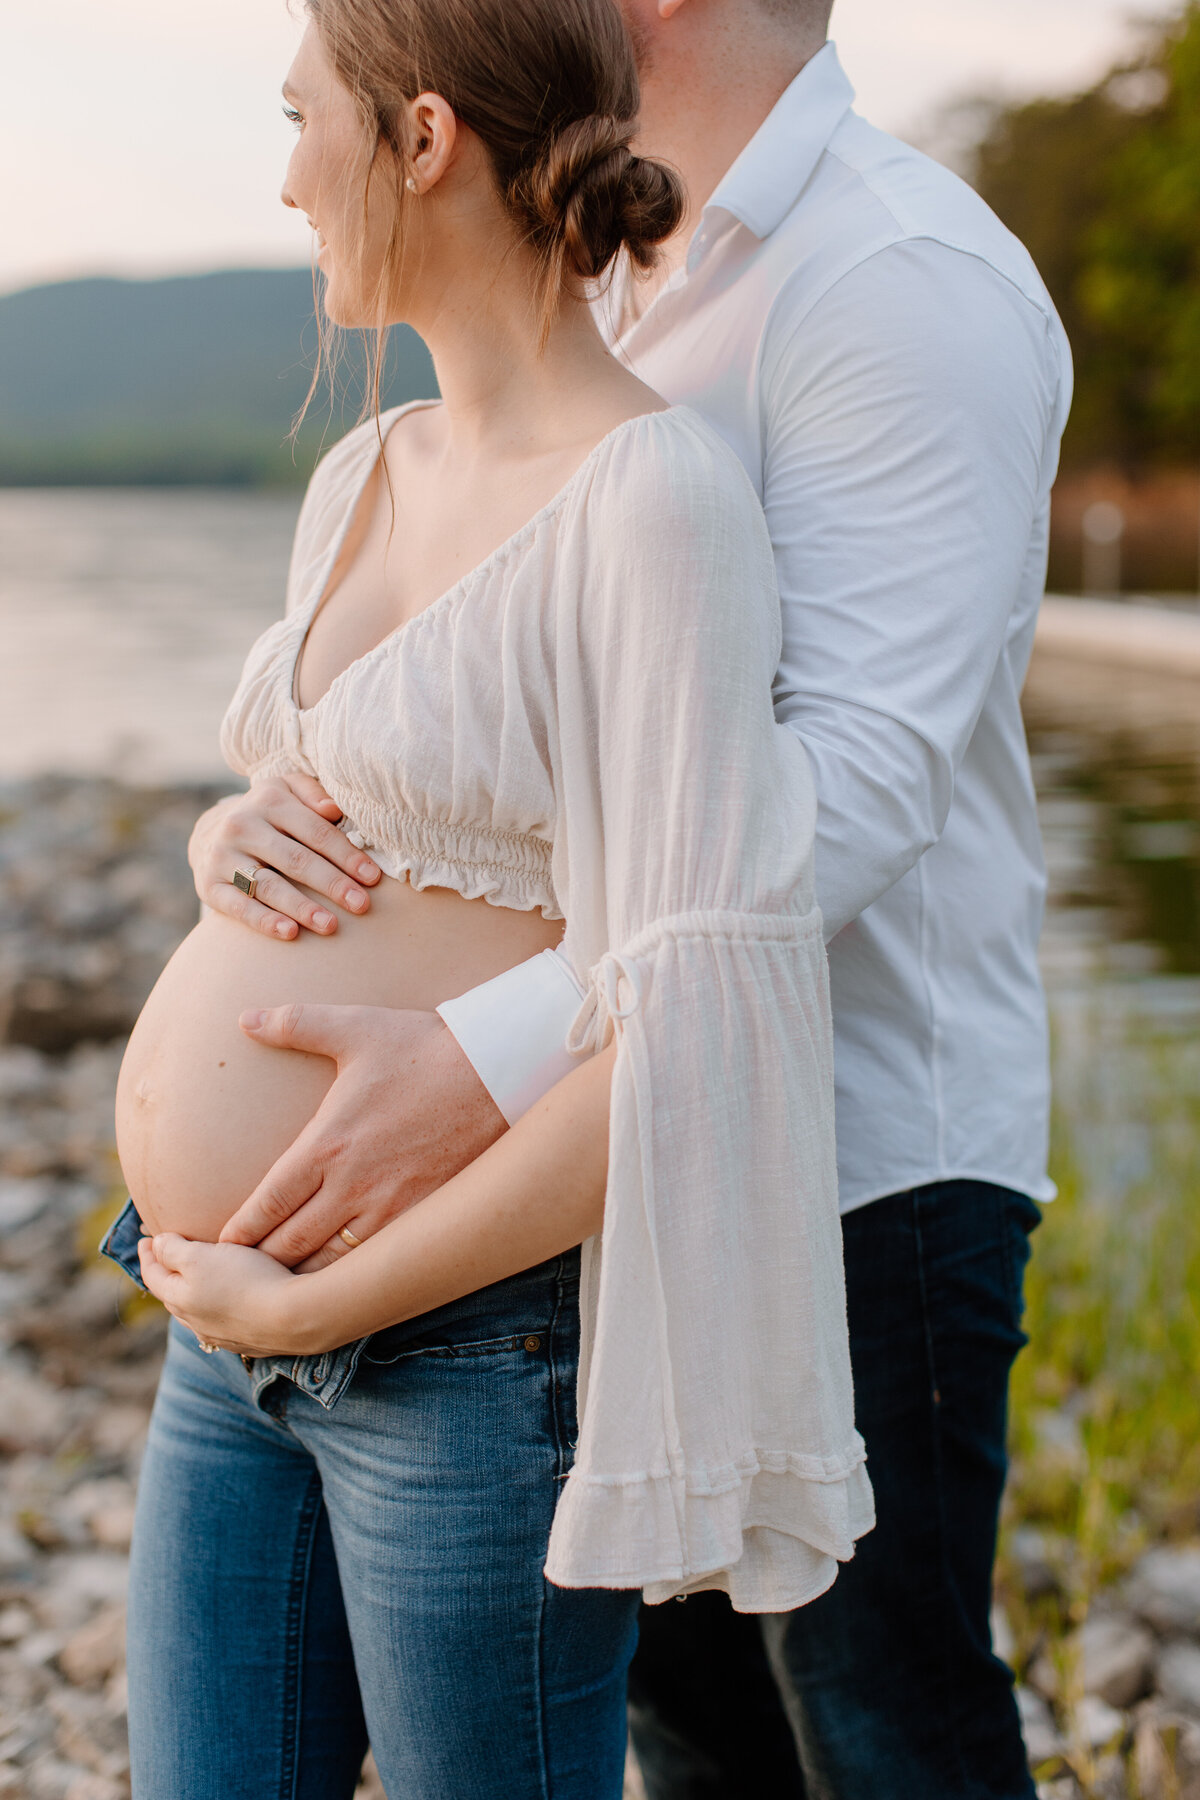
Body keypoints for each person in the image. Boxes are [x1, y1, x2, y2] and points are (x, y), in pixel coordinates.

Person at [189, 2, 1073, 1796]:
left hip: (856, 1159)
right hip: (585, 1170)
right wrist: (258, 840)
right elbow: (495, 731)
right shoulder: (592, 270)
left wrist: (490, 1052)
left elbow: (852, 794)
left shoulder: (898, 280)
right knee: (697, 1734)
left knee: (881, 1726)